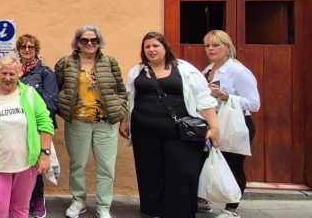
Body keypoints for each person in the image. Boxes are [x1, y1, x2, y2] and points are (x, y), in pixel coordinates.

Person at [121, 31, 220, 218]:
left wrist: (214, 128)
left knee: (183, 171)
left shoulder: (184, 69)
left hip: (180, 132)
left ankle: (179, 212)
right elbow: (129, 97)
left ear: (165, 48)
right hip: (145, 132)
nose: (151, 49)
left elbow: (203, 98)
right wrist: (125, 121)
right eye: (147, 46)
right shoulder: (137, 71)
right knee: (150, 170)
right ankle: (153, 209)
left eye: (155, 46)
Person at [55, 26, 127, 218]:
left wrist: (120, 112)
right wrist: (65, 110)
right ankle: (78, 201)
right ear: (77, 42)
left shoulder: (110, 62)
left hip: (106, 123)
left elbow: (121, 90)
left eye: (93, 40)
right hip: (77, 122)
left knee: (106, 166)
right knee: (78, 164)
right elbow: (59, 89)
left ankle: (103, 206)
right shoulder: (65, 63)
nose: (89, 44)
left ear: (99, 42)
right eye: (84, 40)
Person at [0, 56, 54, 218]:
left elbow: (45, 123)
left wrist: (45, 154)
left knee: (20, 209)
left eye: (12, 74)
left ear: (19, 74)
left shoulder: (29, 94)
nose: (8, 78)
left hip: (26, 165)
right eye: (4, 73)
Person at [201, 30, 259, 218]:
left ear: (227, 47)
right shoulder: (208, 70)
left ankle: (231, 209)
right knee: (207, 162)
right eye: (207, 45)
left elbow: (254, 104)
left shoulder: (238, 70)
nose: (211, 48)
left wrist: (225, 96)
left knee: (234, 165)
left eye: (216, 45)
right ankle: (204, 201)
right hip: (214, 124)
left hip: (236, 124)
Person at [16, 34, 58, 218]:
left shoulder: (45, 72)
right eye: (23, 47)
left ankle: (39, 199)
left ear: (36, 50)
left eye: (31, 47)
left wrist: (32, 116)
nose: (27, 50)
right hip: (16, 126)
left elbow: (51, 103)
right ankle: (24, 199)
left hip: (37, 127)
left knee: (37, 164)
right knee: (21, 163)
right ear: (18, 50)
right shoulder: (13, 70)